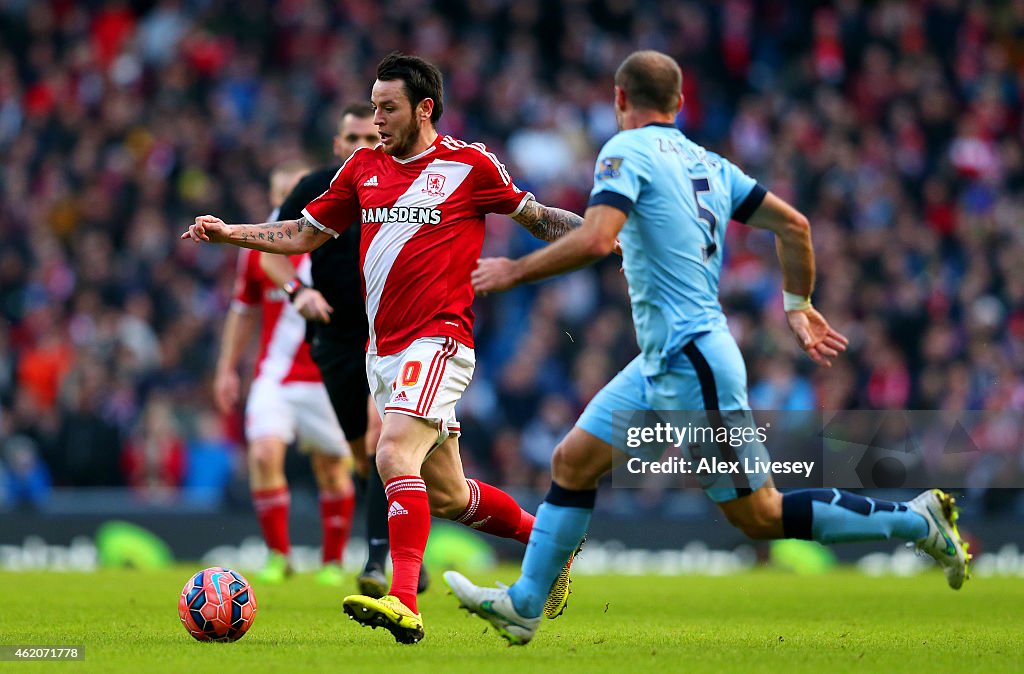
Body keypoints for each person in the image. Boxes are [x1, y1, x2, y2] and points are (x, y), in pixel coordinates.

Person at [442, 50, 971, 646]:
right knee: (573, 462)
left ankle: (916, 521)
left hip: (692, 360)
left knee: (760, 515)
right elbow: (793, 225)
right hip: (665, 358)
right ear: (679, 103)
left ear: (620, 100)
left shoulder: (626, 151)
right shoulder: (710, 163)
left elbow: (596, 239)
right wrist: (798, 305)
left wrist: (513, 272)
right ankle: (525, 604)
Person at [182, 52, 587, 644]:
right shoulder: (363, 168)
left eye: (387, 108)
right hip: (385, 352)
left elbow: (539, 218)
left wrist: (602, 234)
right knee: (447, 494)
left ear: (424, 108)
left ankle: (403, 600)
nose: (376, 120)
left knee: (391, 454)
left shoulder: (469, 165)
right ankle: (551, 545)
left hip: (441, 338)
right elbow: (301, 233)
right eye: (373, 107)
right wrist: (230, 234)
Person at [260, 102, 423, 598]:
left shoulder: (405, 187)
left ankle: (378, 562)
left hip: (391, 333)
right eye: (352, 139)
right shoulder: (314, 189)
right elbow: (273, 250)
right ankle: (401, 545)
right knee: (360, 457)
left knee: (381, 442)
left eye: (369, 139)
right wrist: (298, 292)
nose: (362, 148)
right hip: (334, 340)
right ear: (337, 145)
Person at [213, 160, 356, 586]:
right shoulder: (261, 250)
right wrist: (226, 369)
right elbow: (243, 312)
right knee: (262, 454)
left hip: (325, 374)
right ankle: (280, 556)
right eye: (280, 195)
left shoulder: (334, 239)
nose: (288, 201)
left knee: (332, 470)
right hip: (274, 374)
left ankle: (332, 562)